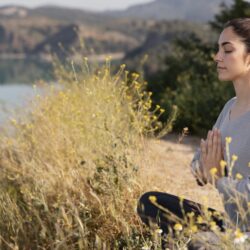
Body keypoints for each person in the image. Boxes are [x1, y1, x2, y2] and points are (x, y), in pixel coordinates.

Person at [137, 17, 250, 246]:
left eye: (227, 50)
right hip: (231, 226)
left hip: (245, 237)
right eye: (218, 49)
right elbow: (199, 161)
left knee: (198, 243)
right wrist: (206, 169)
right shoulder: (230, 106)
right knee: (149, 202)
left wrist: (218, 178)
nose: (217, 57)